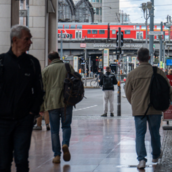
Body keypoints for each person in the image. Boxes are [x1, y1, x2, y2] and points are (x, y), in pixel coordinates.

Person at [0, 25, 44, 172]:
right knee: (3, 162)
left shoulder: (32, 63)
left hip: (24, 120)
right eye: (27, 39)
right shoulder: (1, 62)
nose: (30, 42)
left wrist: (33, 111)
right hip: (3, 121)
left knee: (21, 159)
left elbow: (39, 90)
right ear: (15, 40)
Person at [125, 48, 172, 169]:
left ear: (138, 58)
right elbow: (168, 89)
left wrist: (135, 104)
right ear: (149, 58)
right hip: (155, 109)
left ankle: (141, 160)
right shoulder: (158, 72)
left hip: (139, 109)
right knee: (154, 133)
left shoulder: (132, 74)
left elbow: (128, 93)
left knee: (140, 134)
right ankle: (155, 155)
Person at [40, 52, 74, 164]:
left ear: (49, 60)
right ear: (59, 58)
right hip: (66, 103)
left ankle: (57, 155)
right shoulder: (68, 67)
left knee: (54, 130)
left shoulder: (46, 70)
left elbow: (42, 90)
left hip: (52, 103)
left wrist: (41, 107)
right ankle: (65, 144)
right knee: (66, 126)